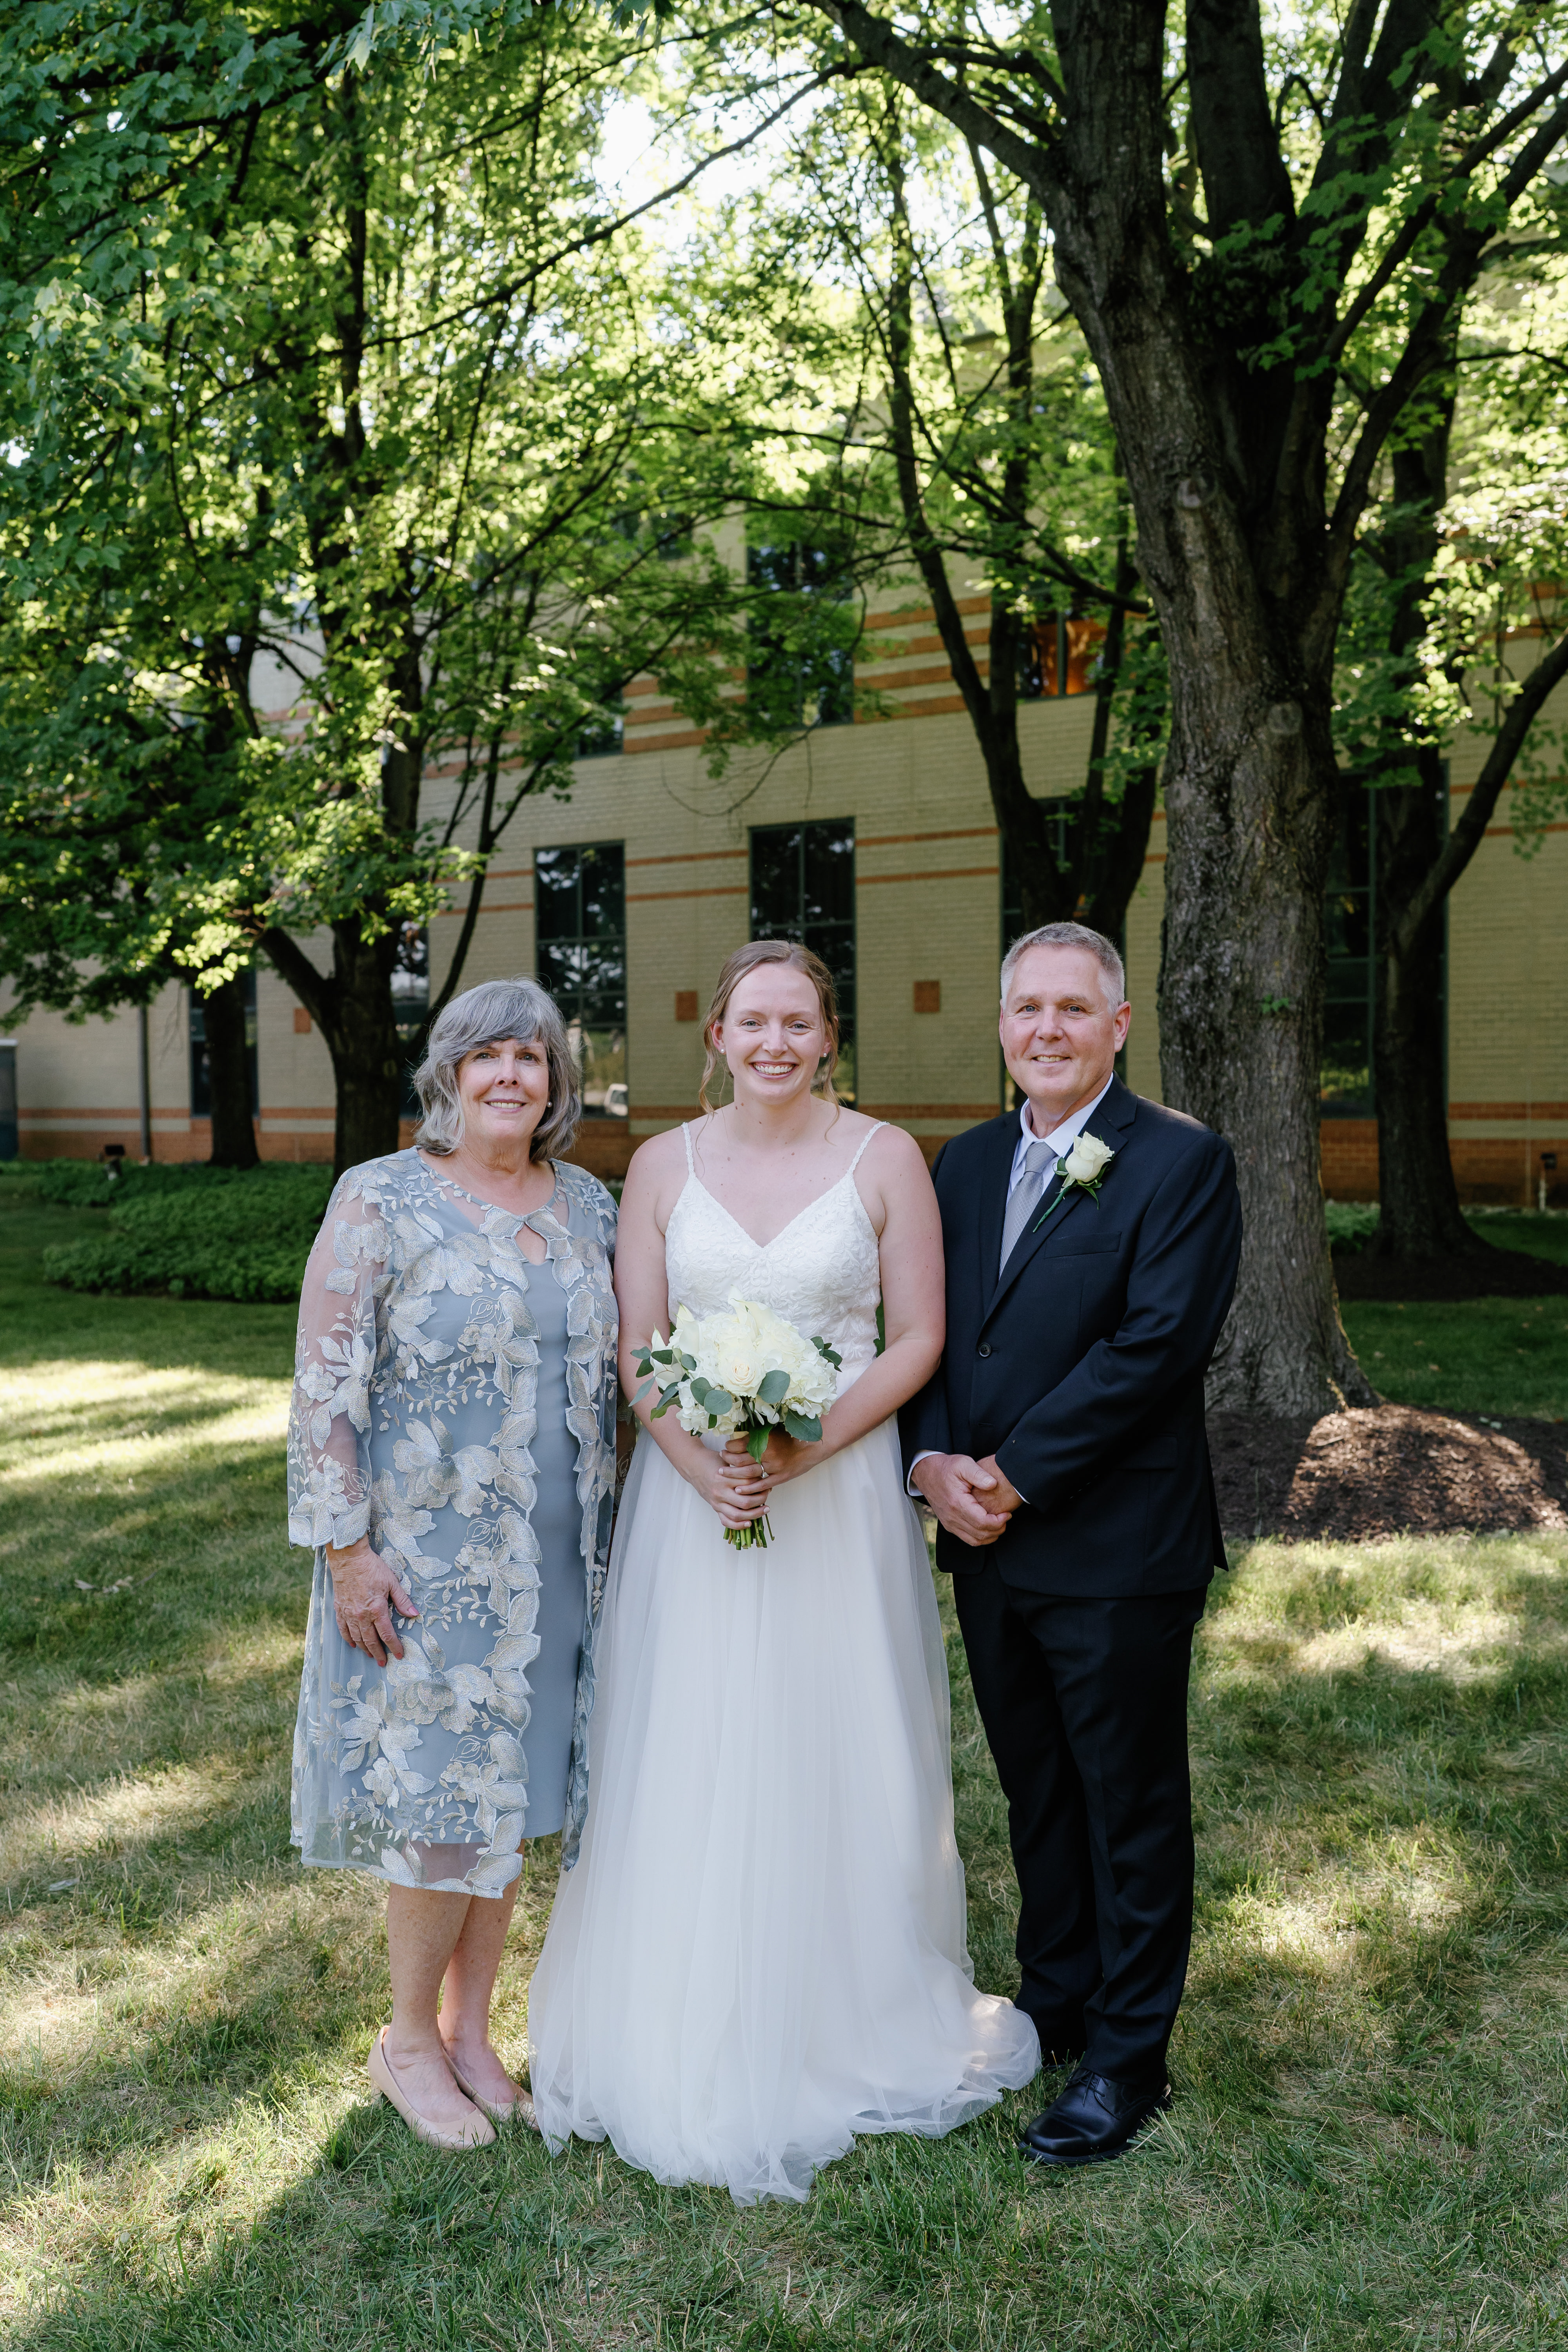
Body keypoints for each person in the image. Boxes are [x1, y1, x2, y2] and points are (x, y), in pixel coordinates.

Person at [526, 940, 1039, 2203]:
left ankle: (843, 2009)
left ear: (827, 1035)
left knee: (831, 1732)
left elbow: (916, 1338)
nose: (773, 1042)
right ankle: (677, 2011)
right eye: (751, 1021)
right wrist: (702, 1464)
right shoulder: (657, 1165)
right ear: (716, 1034)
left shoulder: (885, 1161)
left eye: (797, 1022)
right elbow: (642, 1348)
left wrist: (808, 1445)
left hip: (839, 1486)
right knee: (689, 1737)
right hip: (689, 1499)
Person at [902, 921, 1242, 2169]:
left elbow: (1156, 1349)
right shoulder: (964, 1161)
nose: (1045, 1029)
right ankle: (1055, 2004)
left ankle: (1127, 2055)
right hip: (983, 1539)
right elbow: (926, 1333)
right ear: (1002, 1026)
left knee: (1128, 1801)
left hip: (1117, 1543)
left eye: (1071, 1009)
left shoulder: (1181, 1162)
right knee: (1036, 1787)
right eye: (1025, 1008)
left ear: (1118, 1025)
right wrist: (933, 1465)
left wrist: (1017, 1474)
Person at [287, 978, 619, 2152]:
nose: (511, 1076)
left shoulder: (588, 1203)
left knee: (519, 1796)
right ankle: (406, 2040)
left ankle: (476, 2031)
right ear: (449, 1074)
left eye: (533, 1058)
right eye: (488, 1057)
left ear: (557, 1083)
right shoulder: (380, 1199)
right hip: (429, 1560)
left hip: (562, 1557)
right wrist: (347, 1551)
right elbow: (327, 1385)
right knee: (439, 1801)